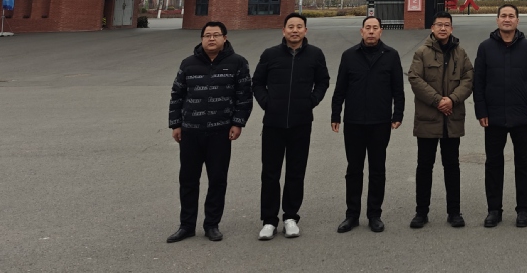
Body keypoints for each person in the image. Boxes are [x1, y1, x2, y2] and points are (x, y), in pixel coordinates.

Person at [166, 21, 253, 243]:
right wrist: (176, 124)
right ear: (202, 39)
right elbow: (177, 95)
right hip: (190, 132)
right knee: (188, 180)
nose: (211, 39)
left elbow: (244, 96)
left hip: (220, 133)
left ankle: (212, 224)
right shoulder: (188, 64)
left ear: (225, 38)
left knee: (217, 180)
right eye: (207, 35)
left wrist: (238, 123)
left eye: (216, 35)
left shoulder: (238, 63)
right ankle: (186, 225)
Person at [252, 12, 330, 240]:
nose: (295, 30)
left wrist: (311, 101)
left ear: (305, 30)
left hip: (301, 123)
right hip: (273, 123)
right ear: (283, 30)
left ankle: (290, 217)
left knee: (296, 172)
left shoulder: (315, 54)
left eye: (299, 26)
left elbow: (323, 81)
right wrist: (267, 103)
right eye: (291, 26)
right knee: (270, 173)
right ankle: (269, 220)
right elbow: (257, 82)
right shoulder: (270, 54)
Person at [330, 15, 405, 233]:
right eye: (368, 28)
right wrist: (336, 114)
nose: (371, 31)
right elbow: (340, 88)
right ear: (361, 31)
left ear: (381, 31)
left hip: (380, 122)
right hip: (354, 121)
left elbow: (398, 89)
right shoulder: (349, 55)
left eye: (375, 28)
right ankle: (352, 214)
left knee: (377, 169)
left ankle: (374, 214)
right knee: (354, 169)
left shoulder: (391, 55)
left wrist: (398, 114)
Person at [473, 3, 527, 228]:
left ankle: (523, 209)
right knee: (493, 164)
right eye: (503, 15)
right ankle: (494, 210)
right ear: (497, 20)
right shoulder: (485, 47)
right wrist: (481, 110)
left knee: (524, 164)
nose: (507, 19)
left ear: (517, 21)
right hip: (493, 116)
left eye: (511, 16)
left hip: (523, 116)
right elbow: (478, 82)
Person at [408, 10, 474, 229]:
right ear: (432, 28)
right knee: (424, 166)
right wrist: (438, 101)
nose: (443, 28)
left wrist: (452, 100)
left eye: (447, 25)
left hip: (452, 119)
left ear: (452, 28)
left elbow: (468, 78)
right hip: (428, 119)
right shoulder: (422, 52)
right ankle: (421, 212)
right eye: (439, 25)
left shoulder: (460, 53)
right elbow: (415, 79)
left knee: (452, 166)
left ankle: (454, 212)